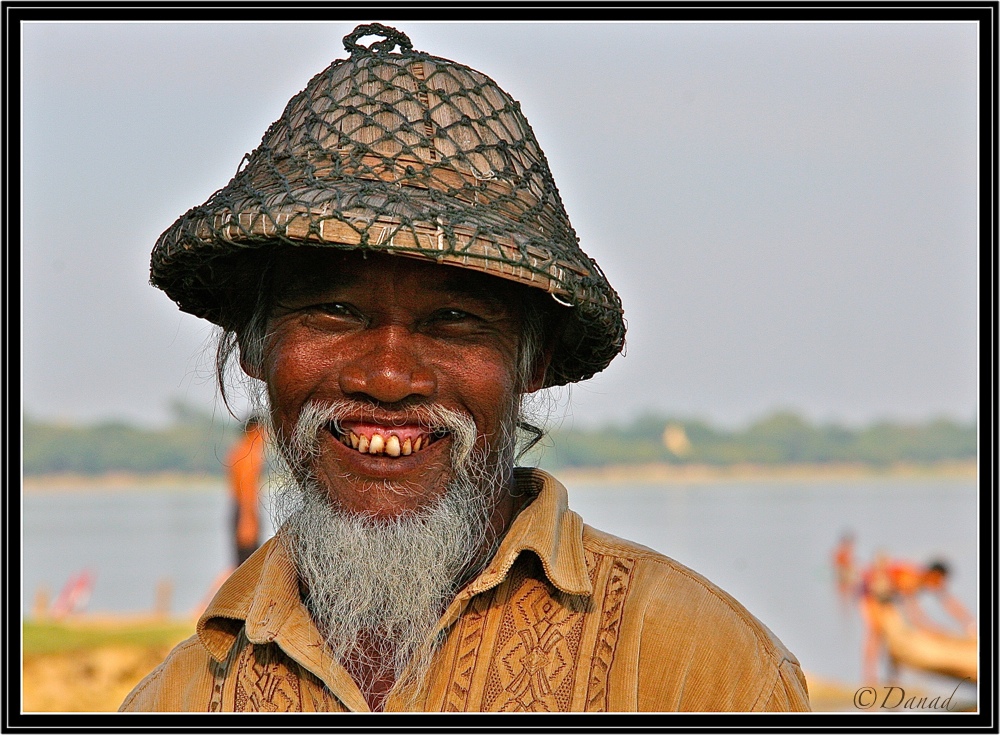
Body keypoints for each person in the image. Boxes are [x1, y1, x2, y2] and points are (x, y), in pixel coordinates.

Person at [120, 24, 810, 712]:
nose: (388, 377)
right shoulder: (178, 701)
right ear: (255, 342)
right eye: (334, 308)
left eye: (452, 319)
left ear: (532, 359)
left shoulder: (699, 671)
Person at [859, 553, 976, 683]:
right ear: (934, 575)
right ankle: (870, 680)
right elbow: (914, 614)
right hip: (871, 595)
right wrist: (933, 630)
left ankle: (892, 680)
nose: (939, 584)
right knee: (876, 633)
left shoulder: (924, 579)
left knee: (894, 639)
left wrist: (969, 623)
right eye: (939, 581)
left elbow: (949, 603)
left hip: (886, 598)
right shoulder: (911, 578)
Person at [226, 415, 267, 567]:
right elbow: (246, 490)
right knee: (248, 567)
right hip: (245, 512)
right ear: (255, 430)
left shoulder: (238, 450)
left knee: (241, 564)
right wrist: (247, 521)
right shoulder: (248, 454)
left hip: (240, 510)